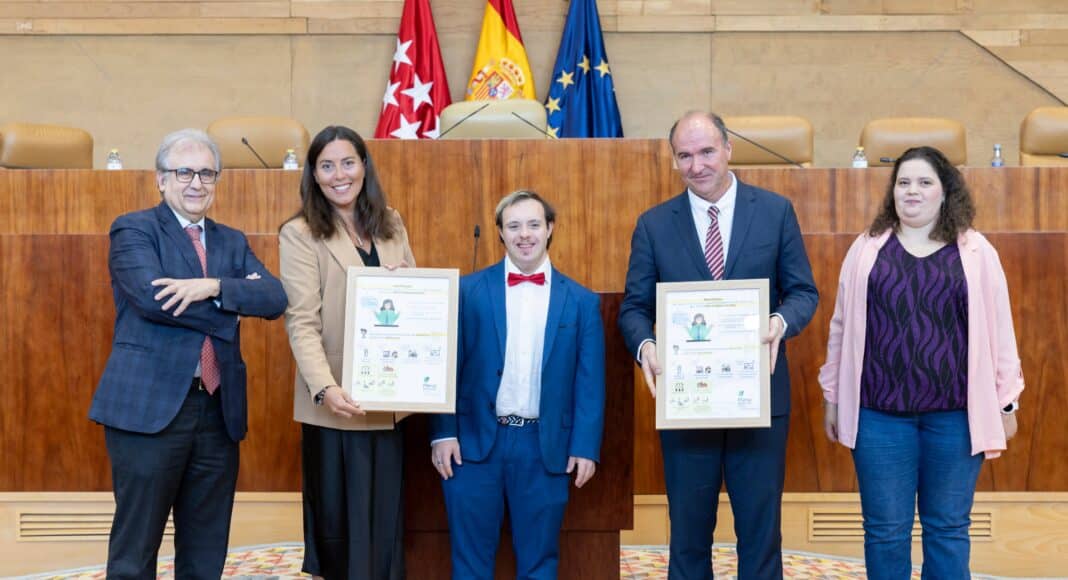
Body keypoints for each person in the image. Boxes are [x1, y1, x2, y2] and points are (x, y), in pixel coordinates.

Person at [618, 111, 819, 579]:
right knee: (687, 537)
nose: (697, 165)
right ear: (673, 161)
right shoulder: (653, 225)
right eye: (684, 156)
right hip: (688, 403)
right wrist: (645, 345)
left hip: (759, 401)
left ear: (728, 149)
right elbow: (634, 307)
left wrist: (780, 319)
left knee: (760, 533)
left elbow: (803, 293)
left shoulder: (774, 211)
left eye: (707, 151)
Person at [89, 128, 288, 578]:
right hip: (149, 412)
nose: (196, 183)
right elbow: (153, 299)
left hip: (218, 413)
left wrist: (213, 286)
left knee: (205, 550)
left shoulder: (231, 241)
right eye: (184, 172)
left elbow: (275, 299)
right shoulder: (134, 228)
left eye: (206, 174)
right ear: (161, 179)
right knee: (135, 551)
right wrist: (233, 305)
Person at [818, 145, 1024, 578]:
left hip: (954, 418)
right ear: (892, 192)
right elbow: (841, 329)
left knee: (948, 529)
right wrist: (833, 398)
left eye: (925, 182)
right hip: (878, 418)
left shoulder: (976, 251)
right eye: (904, 182)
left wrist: (1006, 402)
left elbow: (1000, 330)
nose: (912, 191)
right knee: (885, 532)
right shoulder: (866, 249)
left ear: (945, 192)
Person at [429, 190, 606, 578]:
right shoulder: (467, 292)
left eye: (533, 224)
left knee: (540, 562)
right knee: (469, 563)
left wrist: (584, 446)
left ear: (549, 229)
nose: (524, 234)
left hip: (544, 448)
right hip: (472, 447)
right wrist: (442, 433)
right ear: (500, 233)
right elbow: (445, 365)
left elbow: (590, 383)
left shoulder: (581, 302)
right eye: (513, 226)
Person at [278, 125, 415, 580]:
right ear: (314, 176)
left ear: (364, 166)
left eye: (348, 162)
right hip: (336, 405)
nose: (340, 174)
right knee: (340, 528)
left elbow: (415, 301)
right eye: (327, 165)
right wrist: (325, 388)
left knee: (384, 523)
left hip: (390, 400)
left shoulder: (391, 222)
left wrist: (404, 284)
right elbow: (302, 320)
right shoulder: (300, 233)